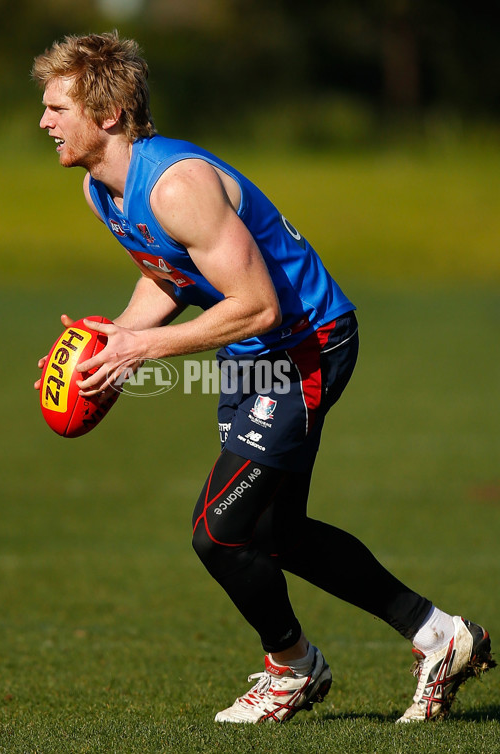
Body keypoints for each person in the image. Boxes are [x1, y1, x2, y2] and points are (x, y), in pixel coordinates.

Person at [32, 31, 494, 724]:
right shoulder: (104, 190)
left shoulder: (176, 186)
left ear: (107, 115)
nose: (43, 121)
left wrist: (142, 350)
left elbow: (259, 304)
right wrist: (102, 344)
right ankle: (442, 637)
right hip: (253, 353)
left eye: (57, 107)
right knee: (278, 532)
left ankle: (293, 668)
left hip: (305, 343)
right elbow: (170, 277)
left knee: (220, 531)